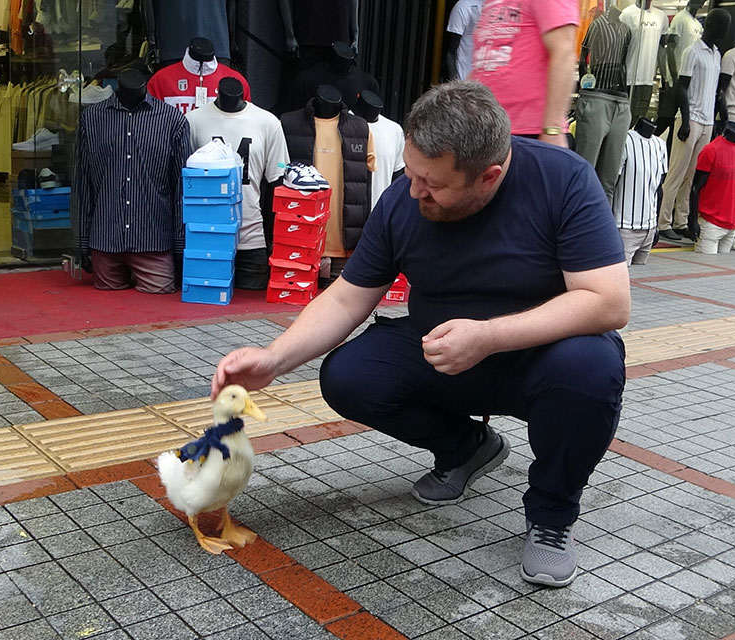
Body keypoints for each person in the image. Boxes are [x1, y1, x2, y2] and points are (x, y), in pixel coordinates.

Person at [211, 81, 629, 588]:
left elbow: (608, 301)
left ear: (489, 176)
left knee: (592, 368)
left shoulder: (563, 180)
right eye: (410, 173)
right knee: (349, 375)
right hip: (444, 354)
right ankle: (466, 448)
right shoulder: (403, 199)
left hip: (541, 360)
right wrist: (273, 360)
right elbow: (346, 298)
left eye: (432, 184)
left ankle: (552, 513)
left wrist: (489, 336)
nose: (415, 192)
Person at [471, 0, 579, 146]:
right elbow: (482, 63)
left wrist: (552, 130)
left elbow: (563, 52)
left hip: (528, 133)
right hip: (486, 127)